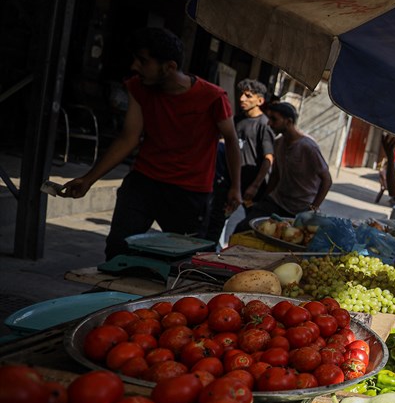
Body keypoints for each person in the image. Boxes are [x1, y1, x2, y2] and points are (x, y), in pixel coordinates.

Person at [61, 28, 242, 259]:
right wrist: (89, 179)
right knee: (118, 249)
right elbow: (129, 137)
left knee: (184, 261)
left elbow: (231, 139)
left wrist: (235, 186)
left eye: (143, 61)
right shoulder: (138, 87)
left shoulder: (213, 97)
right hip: (143, 183)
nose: (135, 66)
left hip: (189, 192)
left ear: (170, 67)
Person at [235, 102, 332, 232]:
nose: (269, 124)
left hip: (299, 209)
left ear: (288, 121)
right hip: (277, 202)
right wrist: (264, 198)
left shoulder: (308, 147)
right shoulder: (279, 143)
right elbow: (275, 175)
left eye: (274, 119)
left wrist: (312, 210)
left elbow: (327, 180)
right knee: (244, 229)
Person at [206, 78, 276, 243]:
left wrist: (255, 185)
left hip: (251, 188)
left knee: (250, 226)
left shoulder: (264, 125)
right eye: (241, 95)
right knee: (217, 219)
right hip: (231, 183)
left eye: (248, 96)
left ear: (260, 100)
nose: (242, 99)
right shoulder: (237, 120)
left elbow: (268, 159)